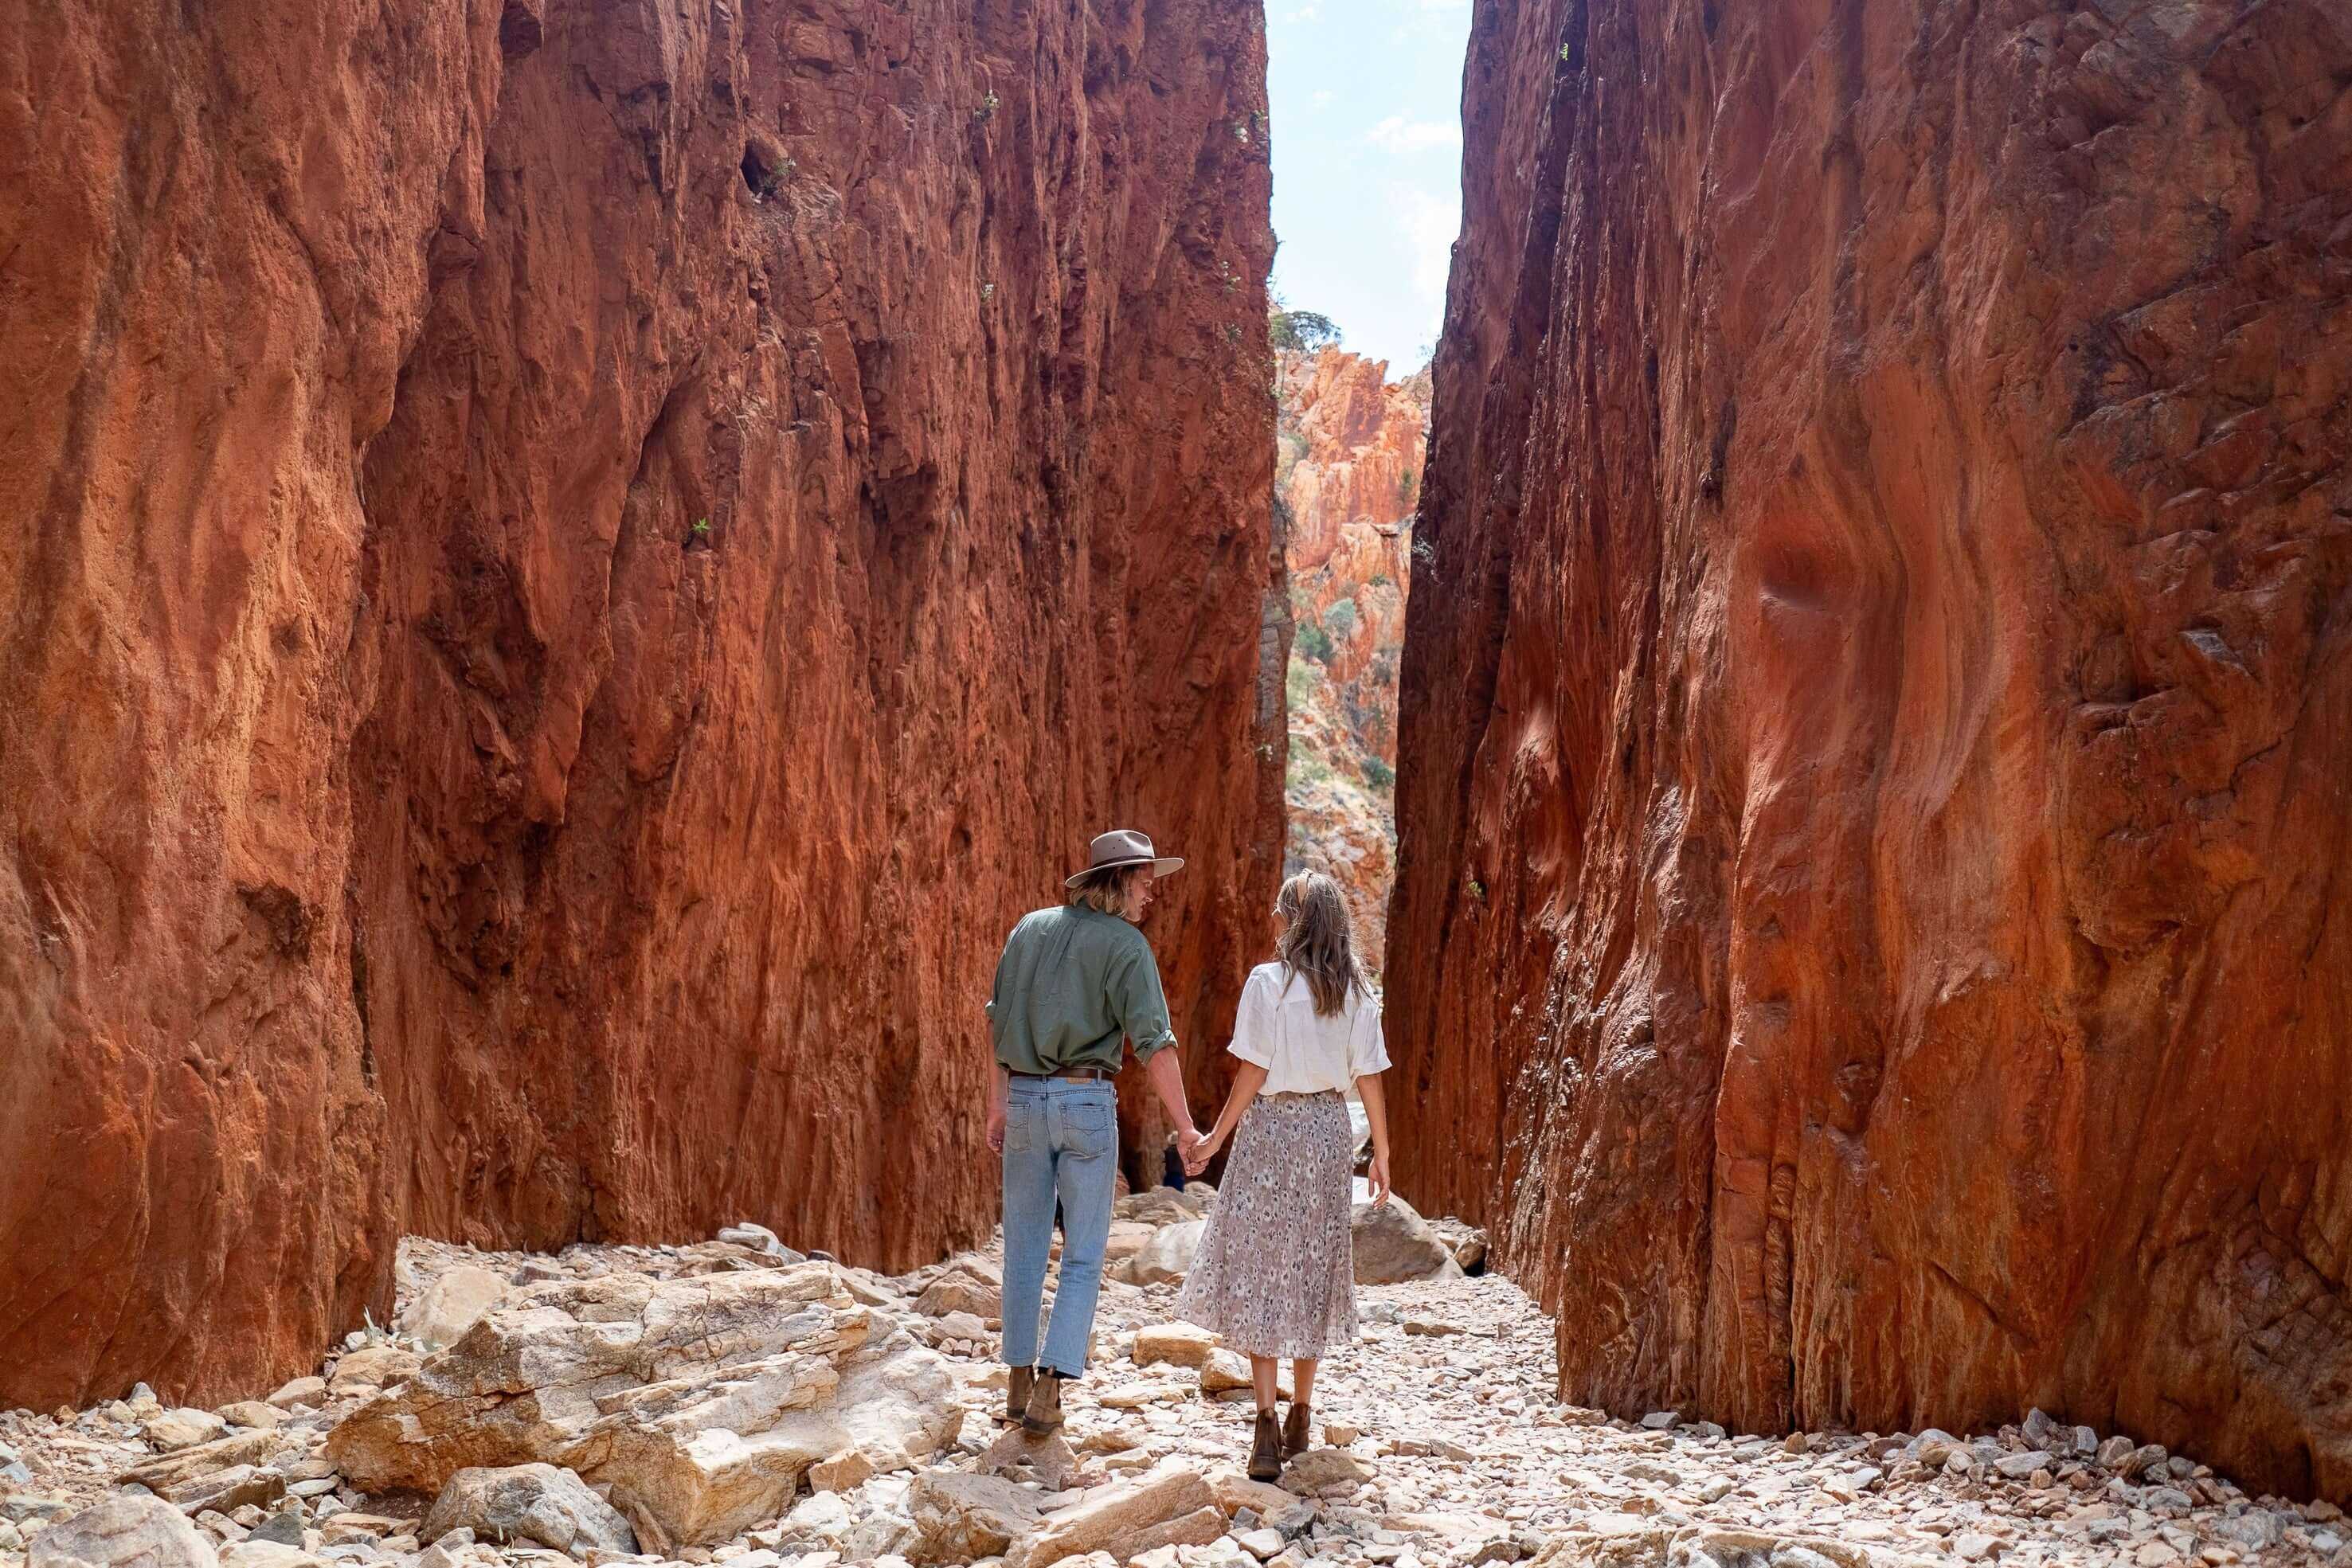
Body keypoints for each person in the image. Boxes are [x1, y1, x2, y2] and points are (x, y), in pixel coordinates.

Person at [1175, 870, 1393, 1480]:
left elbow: (1252, 1069)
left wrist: (1216, 1136)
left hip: (1270, 1132)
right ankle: (1302, 1411)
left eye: (1277, 913)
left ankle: (1265, 1427)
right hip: (1326, 1133)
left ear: (1290, 922)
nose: (1271, 922)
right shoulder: (1356, 991)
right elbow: (1369, 1076)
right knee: (1313, 1267)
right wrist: (1381, 1149)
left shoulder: (1266, 984)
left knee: (1263, 1271)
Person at [988, 829, 1203, 1434]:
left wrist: (996, 1105)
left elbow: (996, 1021)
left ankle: (1016, 1380)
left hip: (1026, 1098)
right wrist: (1185, 1127)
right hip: (1085, 1099)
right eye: (1143, 880)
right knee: (1082, 1254)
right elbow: (1155, 1045)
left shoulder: (1027, 929)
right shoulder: (1126, 946)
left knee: (1024, 1247)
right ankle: (1051, 1390)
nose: (1150, 893)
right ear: (1116, 881)